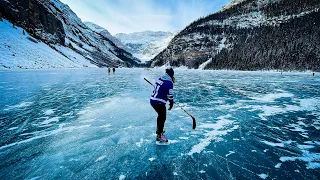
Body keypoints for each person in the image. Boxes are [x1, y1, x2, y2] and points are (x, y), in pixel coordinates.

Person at [150, 68, 175, 143]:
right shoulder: (169, 82)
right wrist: (171, 102)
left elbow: (158, 89)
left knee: (160, 116)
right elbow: (170, 95)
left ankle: (159, 131)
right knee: (162, 117)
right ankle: (159, 135)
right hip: (159, 102)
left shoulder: (160, 78)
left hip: (153, 100)